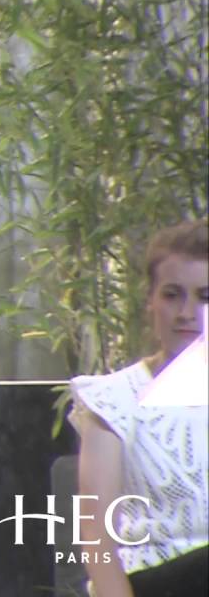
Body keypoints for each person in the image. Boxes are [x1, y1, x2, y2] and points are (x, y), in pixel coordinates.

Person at [70, 220, 209, 597]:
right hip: (153, 583)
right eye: (172, 295)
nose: (187, 313)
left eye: (204, 296)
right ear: (150, 300)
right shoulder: (113, 401)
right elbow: (97, 540)